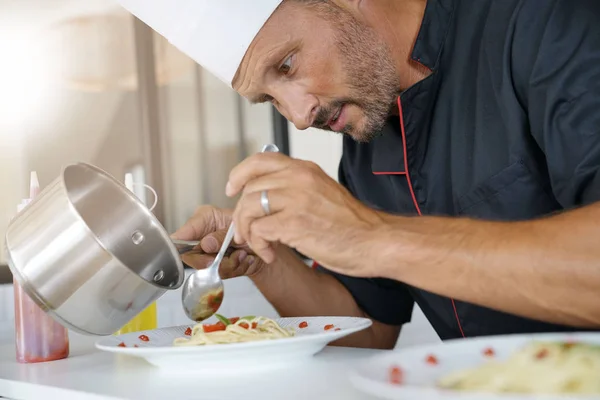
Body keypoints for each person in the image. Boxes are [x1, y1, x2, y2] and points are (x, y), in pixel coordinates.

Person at [119, 0, 600, 349]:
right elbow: (368, 326)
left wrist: (372, 237)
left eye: (286, 65)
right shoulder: (368, 134)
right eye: (269, 100)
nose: (299, 115)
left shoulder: (541, 20)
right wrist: (267, 260)